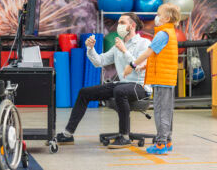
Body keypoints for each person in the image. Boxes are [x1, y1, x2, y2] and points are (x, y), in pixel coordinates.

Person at [56, 12, 151, 149]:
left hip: (140, 86)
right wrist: (90, 49)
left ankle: (124, 137)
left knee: (119, 90)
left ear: (133, 25)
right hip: (123, 85)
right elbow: (99, 61)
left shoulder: (144, 43)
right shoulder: (119, 45)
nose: (119, 26)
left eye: (122, 23)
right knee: (84, 92)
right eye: (118, 23)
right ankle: (67, 134)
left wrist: (125, 51)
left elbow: (139, 67)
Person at [124, 3, 180, 155]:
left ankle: (161, 143)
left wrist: (133, 64)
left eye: (159, 14)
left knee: (161, 111)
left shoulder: (163, 33)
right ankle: (167, 141)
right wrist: (145, 67)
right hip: (166, 77)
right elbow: (160, 57)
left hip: (162, 79)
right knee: (167, 110)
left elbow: (149, 52)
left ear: (166, 18)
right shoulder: (170, 32)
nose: (156, 17)